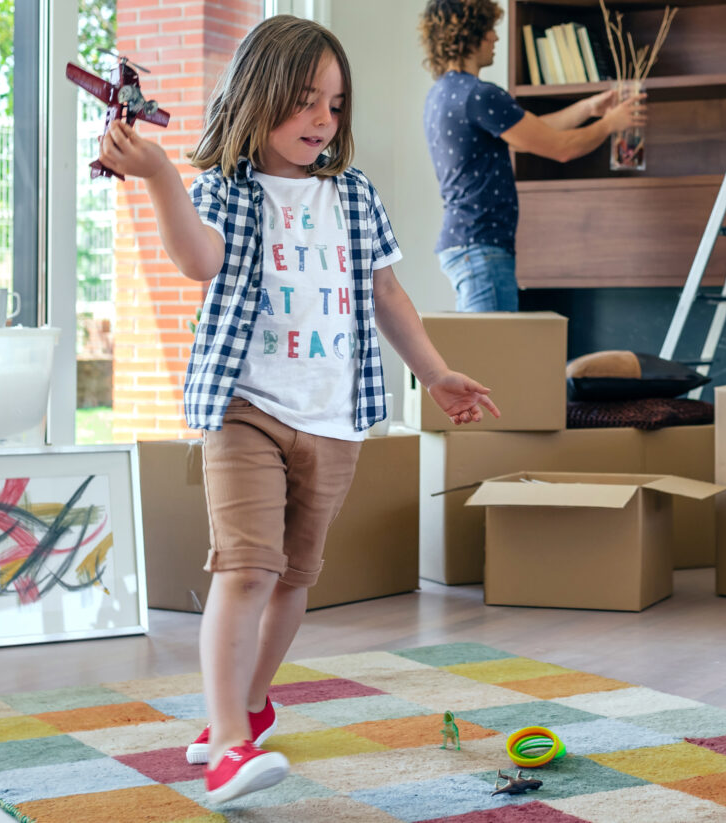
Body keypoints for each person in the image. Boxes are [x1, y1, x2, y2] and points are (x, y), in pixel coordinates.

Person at [96, 15, 501, 805]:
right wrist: (159, 178)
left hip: (336, 416)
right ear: (257, 98)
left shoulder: (352, 195)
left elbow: (389, 295)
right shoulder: (224, 187)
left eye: (335, 105)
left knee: (293, 578)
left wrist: (438, 373)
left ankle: (247, 702)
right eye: (304, 102)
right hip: (244, 408)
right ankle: (226, 747)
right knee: (247, 568)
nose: (322, 120)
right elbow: (197, 259)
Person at [419, 0, 645, 311]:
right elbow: (561, 148)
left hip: (467, 244)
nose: (495, 39)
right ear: (471, 34)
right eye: (489, 30)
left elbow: (529, 134)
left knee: (483, 353)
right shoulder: (479, 95)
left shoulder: (443, 93)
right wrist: (610, 124)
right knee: (494, 356)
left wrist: (589, 109)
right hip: (482, 246)